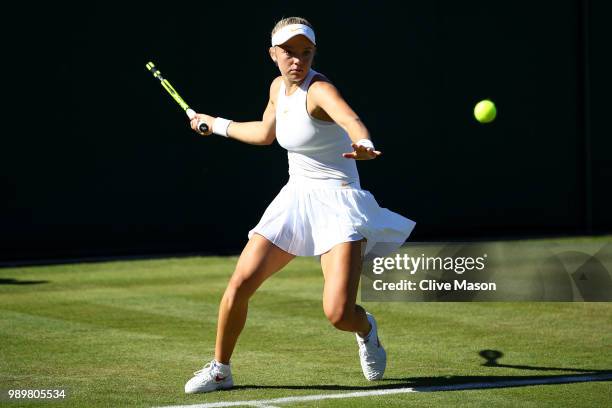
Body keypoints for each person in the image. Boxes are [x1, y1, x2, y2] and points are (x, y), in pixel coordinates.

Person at [184, 17, 416, 394]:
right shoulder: (278, 87)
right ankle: (221, 370)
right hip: (295, 198)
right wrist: (217, 123)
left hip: (338, 201)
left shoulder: (320, 89)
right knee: (240, 283)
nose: (297, 60)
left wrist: (364, 143)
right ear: (273, 54)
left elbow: (350, 118)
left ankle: (366, 328)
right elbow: (264, 133)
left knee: (339, 314)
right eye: (289, 52)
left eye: (305, 52)